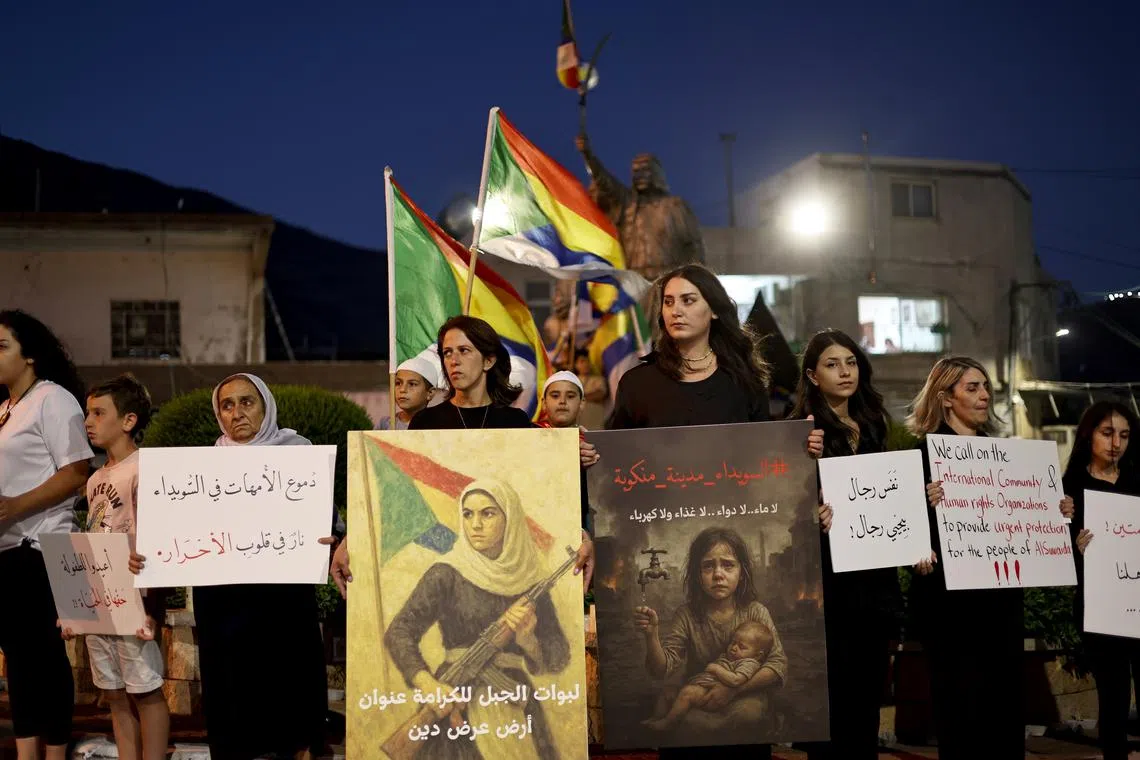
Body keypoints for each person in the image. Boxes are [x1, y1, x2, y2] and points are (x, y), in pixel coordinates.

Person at [606, 265, 822, 759]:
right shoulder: (638, 383)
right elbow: (616, 457)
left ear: (714, 311)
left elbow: (764, 457)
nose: (676, 311)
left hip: (733, 516)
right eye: (668, 302)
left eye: (688, 300)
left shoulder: (743, 382)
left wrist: (800, 448)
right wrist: (590, 454)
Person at [130, 373, 328, 760]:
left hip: (283, 602)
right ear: (218, 414)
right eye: (227, 405)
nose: (237, 412)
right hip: (224, 606)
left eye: (247, 402)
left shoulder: (297, 453)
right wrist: (148, 555)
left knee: (289, 691)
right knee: (232, 693)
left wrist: (326, 536)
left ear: (266, 406)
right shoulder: (203, 470)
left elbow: (325, 521)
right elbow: (175, 534)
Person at [330, 316, 598, 597]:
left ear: (488, 361)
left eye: (464, 351)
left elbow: (544, 498)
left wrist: (579, 531)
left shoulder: (516, 423)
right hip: (441, 570)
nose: (453, 360)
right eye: (447, 353)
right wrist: (352, 539)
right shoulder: (425, 424)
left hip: (506, 577)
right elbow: (397, 497)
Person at [906, 356, 1070, 759]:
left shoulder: (1006, 456)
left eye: (985, 388)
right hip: (950, 609)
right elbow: (903, 530)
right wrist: (922, 509)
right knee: (959, 710)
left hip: (1000, 604)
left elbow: (1024, 522)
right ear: (946, 397)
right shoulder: (921, 456)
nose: (984, 396)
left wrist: (1057, 511)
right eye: (972, 388)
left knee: (1004, 708)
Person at [383, 478, 571, 758]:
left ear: (510, 518)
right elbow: (399, 631)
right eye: (468, 514)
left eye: (488, 513)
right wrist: (429, 685)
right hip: (453, 697)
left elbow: (559, 657)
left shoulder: (532, 583)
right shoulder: (446, 573)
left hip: (514, 703)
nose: (476, 524)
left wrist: (528, 641)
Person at [789, 329, 902, 760]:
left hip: (873, 581)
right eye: (832, 364)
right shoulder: (801, 431)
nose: (844, 372)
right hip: (827, 584)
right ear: (812, 376)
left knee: (867, 699)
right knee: (833, 699)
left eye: (851, 362)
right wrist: (810, 510)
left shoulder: (873, 424)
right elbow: (783, 501)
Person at [0, 310, 94, 760]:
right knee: (18, 659)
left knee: (43, 658)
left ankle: (55, 752)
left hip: (39, 547)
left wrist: (16, 505)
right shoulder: (5, 409)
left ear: (30, 355)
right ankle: (27, 752)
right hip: (7, 549)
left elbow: (76, 471)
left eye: (2, 346)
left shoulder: (53, 399)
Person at [61, 375, 170, 760]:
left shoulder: (144, 469)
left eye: (98, 413)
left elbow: (160, 540)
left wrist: (152, 603)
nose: (88, 421)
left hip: (134, 598)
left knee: (146, 689)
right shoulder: (95, 479)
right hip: (100, 598)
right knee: (115, 694)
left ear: (128, 420)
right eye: (87, 413)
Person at [634, 528, 788, 746]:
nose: (718, 574)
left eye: (728, 565)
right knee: (676, 708)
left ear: (742, 572)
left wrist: (733, 690)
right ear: (698, 575)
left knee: (748, 715)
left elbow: (777, 664)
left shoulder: (756, 612)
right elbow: (661, 670)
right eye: (708, 566)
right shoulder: (686, 615)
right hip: (700, 693)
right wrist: (651, 636)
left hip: (745, 696)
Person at [1062, 401, 1139, 760]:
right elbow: (1052, 551)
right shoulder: (1070, 488)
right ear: (1088, 434)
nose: (1116, 443)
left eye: (1124, 435)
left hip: (1137, 601)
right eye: (1107, 433)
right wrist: (1073, 546)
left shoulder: (1137, 479)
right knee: (1114, 697)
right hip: (1100, 608)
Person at [643, 619, 775, 732]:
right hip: (701, 685)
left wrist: (716, 669)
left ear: (758, 655)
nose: (734, 648)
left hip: (711, 693)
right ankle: (656, 719)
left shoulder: (749, 663)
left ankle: (668, 723)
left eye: (742, 646)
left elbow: (736, 680)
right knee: (668, 691)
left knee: (688, 693)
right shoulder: (730, 657)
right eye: (733, 642)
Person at [378, 355, 441, 430]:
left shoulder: (439, 425)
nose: (402, 390)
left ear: (430, 393)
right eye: (398, 383)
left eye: (412, 384)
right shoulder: (385, 424)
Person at [572, 349, 608, 431]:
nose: (586, 364)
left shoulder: (598, 379)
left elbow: (600, 394)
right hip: (577, 428)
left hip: (595, 426)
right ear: (575, 365)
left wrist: (577, 397)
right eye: (582, 361)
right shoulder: (572, 381)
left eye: (588, 361)